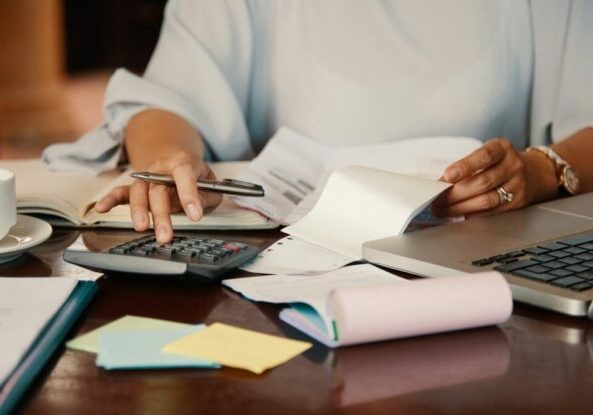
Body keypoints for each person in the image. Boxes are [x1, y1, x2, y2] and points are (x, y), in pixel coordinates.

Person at [44, 0, 593, 244]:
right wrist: (171, 157)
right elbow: (167, 100)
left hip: (481, 257)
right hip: (292, 254)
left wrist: (540, 171)